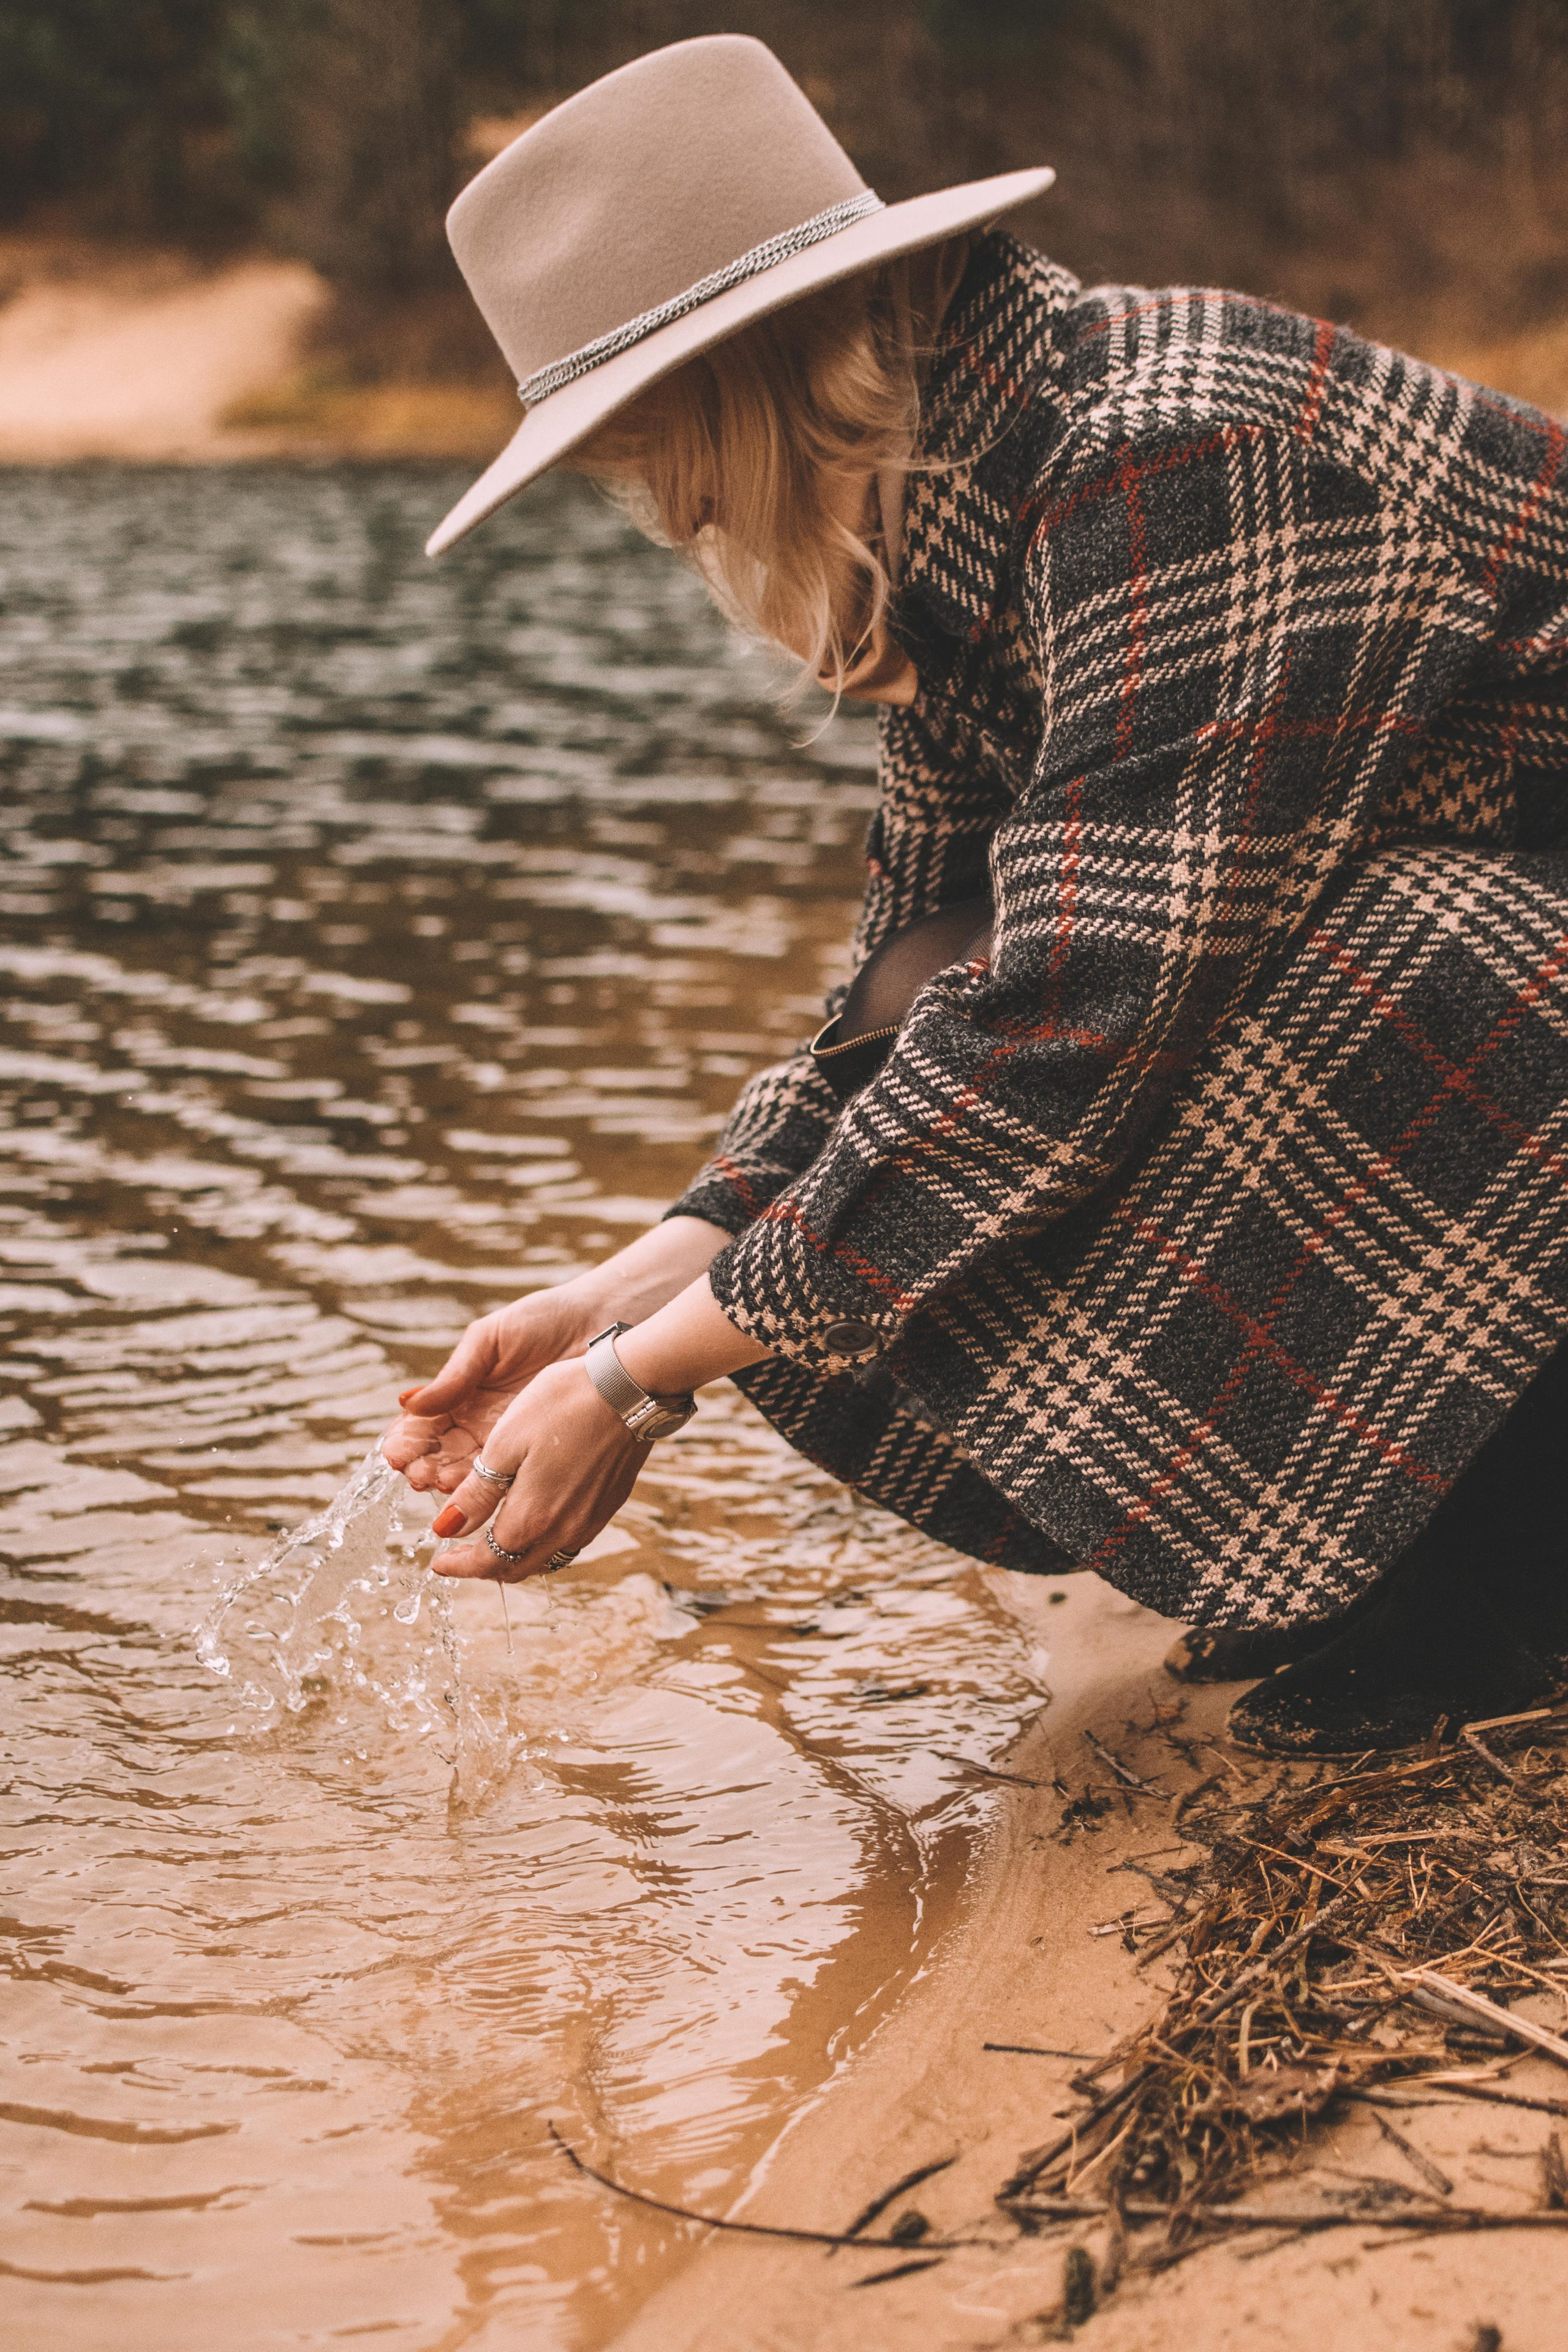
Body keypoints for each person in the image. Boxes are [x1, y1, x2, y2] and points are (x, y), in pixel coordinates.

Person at [383, 36, 1568, 1758]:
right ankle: (1418, 1554)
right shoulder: (983, 512)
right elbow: (911, 992)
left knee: (1380, 968)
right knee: (944, 1073)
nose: (669, 507)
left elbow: (1084, 1012)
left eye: (649, 449)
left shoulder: (1172, 455)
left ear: (756, 376)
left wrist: (646, 1382)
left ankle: (1512, 1581)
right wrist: (631, 1288)